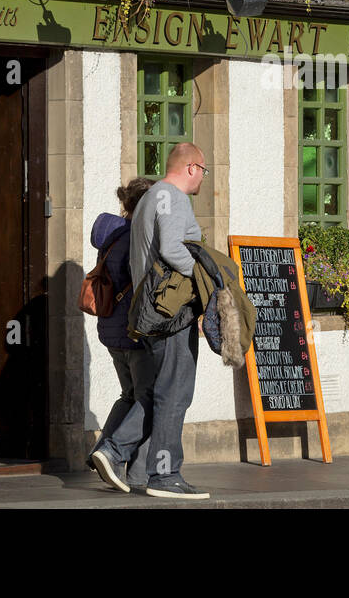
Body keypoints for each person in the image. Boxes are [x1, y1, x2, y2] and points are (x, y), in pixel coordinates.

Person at [89, 142, 209, 500]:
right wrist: (207, 277)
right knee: (175, 394)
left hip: (150, 312)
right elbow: (173, 250)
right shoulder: (173, 198)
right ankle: (165, 474)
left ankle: (113, 451)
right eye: (203, 170)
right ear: (191, 168)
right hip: (172, 313)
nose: (203, 176)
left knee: (158, 392)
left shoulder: (149, 199)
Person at [86, 177, 155, 490]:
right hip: (134, 331)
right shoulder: (136, 238)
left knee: (129, 394)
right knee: (150, 397)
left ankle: (103, 452)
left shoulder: (112, 236)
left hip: (111, 329)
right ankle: (121, 461)